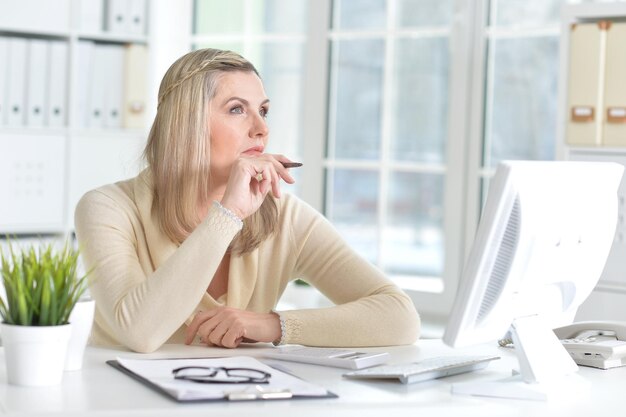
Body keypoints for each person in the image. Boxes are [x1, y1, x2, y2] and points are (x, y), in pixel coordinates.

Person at [74, 48, 420, 353]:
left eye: (264, 111)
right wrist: (228, 214)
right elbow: (140, 333)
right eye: (237, 109)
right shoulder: (107, 208)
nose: (261, 129)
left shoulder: (285, 216)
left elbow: (400, 317)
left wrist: (271, 326)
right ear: (186, 124)